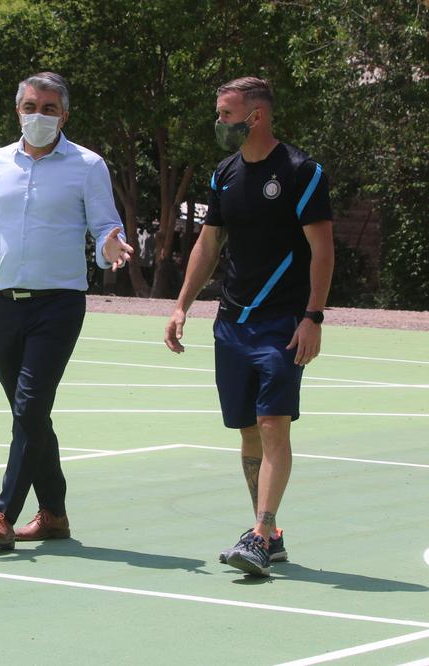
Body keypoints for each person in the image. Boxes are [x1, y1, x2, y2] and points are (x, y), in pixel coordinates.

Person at [0, 72, 132, 549]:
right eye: (32, 106)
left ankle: (2, 514)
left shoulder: (87, 164)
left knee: (30, 407)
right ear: (18, 110)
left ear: (65, 116)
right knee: (30, 417)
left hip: (59, 305)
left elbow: (105, 226)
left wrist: (111, 244)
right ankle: (54, 514)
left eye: (50, 108)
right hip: (3, 306)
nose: (40, 115)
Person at [164, 77, 334, 576]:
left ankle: (260, 531)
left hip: (283, 322)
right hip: (231, 323)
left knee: (271, 424)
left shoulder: (301, 171)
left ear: (254, 117)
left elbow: (322, 250)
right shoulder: (225, 174)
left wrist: (313, 316)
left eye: (225, 114)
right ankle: (271, 538)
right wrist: (181, 306)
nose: (219, 123)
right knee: (247, 432)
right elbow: (208, 244)